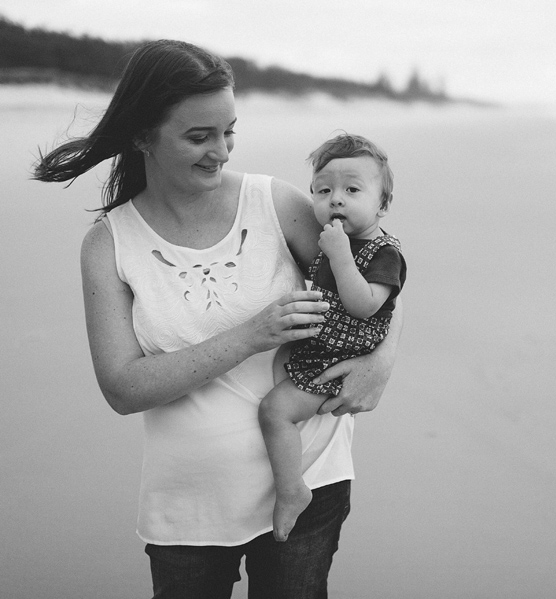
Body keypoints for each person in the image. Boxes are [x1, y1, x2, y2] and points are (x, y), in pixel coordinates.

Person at [32, 39, 402, 598]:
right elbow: (122, 388)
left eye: (228, 131)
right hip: (191, 506)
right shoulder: (110, 244)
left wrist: (382, 362)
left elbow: (379, 276)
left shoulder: (274, 203)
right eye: (199, 136)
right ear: (143, 136)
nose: (222, 152)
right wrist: (252, 335)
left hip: (311, 478)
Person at [259, 134, 406, 542]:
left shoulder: (384, 253)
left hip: (341, 357)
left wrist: (339, 255)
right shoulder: (334, 240)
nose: (335, 199)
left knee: (274, 410)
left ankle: (292, 490)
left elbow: (364, 305)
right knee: (279, 361)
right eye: (323, 191)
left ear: (382, 204)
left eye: (352, 190)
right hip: (324, 342)